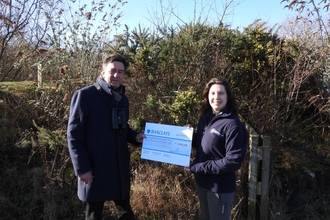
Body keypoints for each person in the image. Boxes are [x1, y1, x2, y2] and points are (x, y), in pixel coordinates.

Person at [67, 54, 146, 220]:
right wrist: (83, 169)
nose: (117, 75)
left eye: (121, 72)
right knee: (93, 215)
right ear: (103, 72)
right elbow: (74, 135)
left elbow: (122, 128)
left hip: (118, 169)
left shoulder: (123, 99)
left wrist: (135, 137)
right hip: (94, 170)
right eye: (113, 71)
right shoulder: (85, 96)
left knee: (126, 214)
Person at [187, 78, 248, 220]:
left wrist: (199, 167)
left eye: (221, 93)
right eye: (212, 93)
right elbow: (204, 144)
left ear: (228, 96)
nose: (216, 97)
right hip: (202, 183)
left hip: (220, 188)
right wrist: (187, 137)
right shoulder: (205, 118)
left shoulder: (233, 125)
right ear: (207, 95)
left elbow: (233, 161)